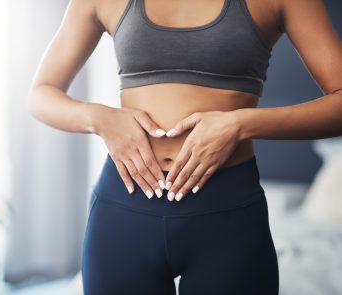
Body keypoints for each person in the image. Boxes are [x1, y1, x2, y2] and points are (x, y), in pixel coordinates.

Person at [27, 0, 342, 293]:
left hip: (226, 216)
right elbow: (41, 93)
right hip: (123, 210)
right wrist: (101, 118)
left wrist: (239, 125)